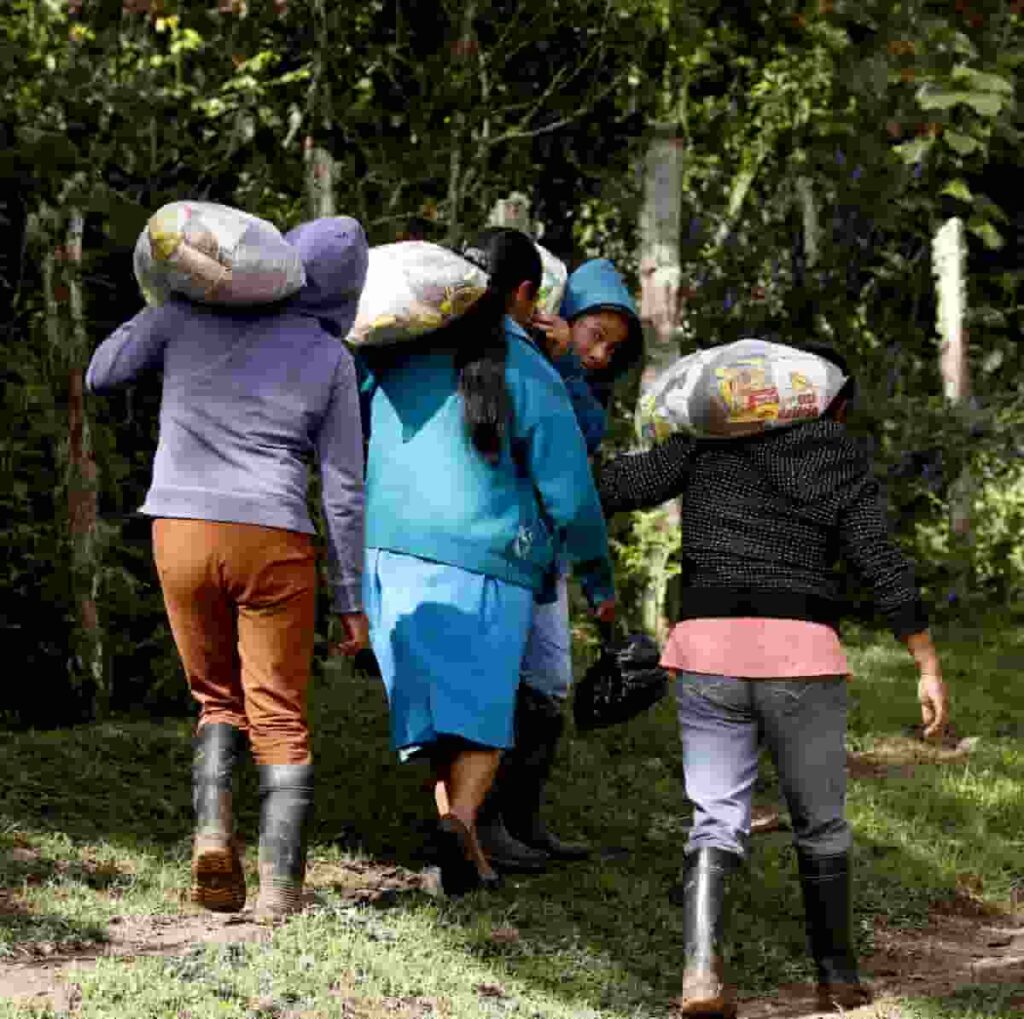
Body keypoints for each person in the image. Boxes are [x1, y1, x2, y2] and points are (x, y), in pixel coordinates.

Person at [594, 345, 949, 1016]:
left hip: (706, 650)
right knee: (821, 821)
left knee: (715, 818)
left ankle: (700, 975)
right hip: (801, 657)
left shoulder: (704, 444)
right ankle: (838, 979)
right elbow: (880, 559)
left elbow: (618, 487)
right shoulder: (834, 452)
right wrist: (925, 661)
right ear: (830, 402)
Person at [85, 216, 370, 921]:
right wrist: (351, 597)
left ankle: (213, 830)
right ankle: (280, 889)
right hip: (273, 537)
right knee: (280, 715)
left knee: (217, 698)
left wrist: (169, 291)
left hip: (179, 528)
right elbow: (343, 489)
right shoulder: (332, 357)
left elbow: (102, 372)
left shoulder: (188, 315)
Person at [356, 229, 616, 896]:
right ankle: (464, 819)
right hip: (489, 565)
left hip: (390, 556)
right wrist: (597, 580)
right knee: (482, 714)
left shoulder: (394, 352)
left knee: (440, 709)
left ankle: (458, 842)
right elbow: (573, 495)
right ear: (527, 294)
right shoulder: (530, 371)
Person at [475, 255, 643, 873]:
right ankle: (483, 824)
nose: (600, 355)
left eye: (612, 350)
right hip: (501, 546)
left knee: (547, 685)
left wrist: (572, 361)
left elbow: (582, 434)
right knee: (499, 686)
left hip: (547, 558)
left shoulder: (576, 380)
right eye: (595, 336)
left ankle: (524, 821)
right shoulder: (509, 357)